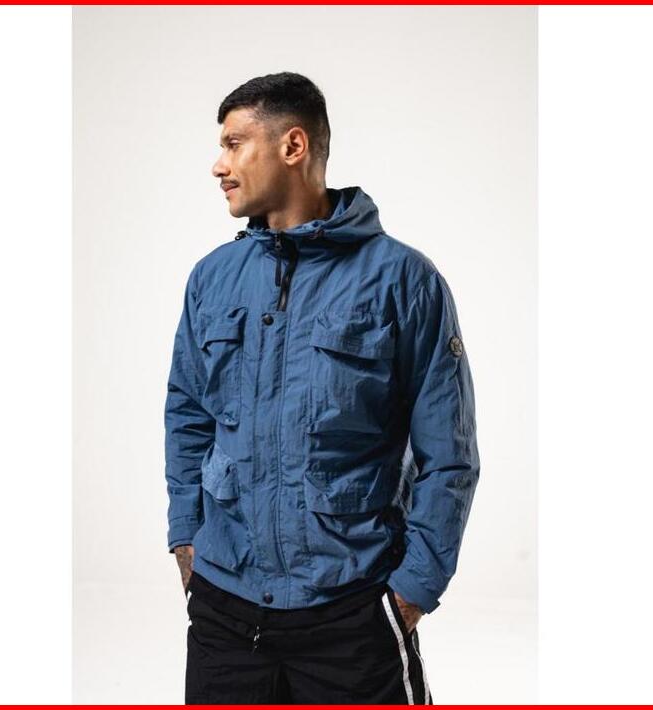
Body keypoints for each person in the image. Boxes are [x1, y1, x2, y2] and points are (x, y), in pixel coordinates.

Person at [164, 71, 480, 705]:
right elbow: (187, 414)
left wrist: (413, 591)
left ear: (293, 146)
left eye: (234, 144)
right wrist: (187, 537)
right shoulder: (212, 278)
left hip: (351, 612)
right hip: (226, 609)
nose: (219, 166)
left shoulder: (404, 281)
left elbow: (449, 455)